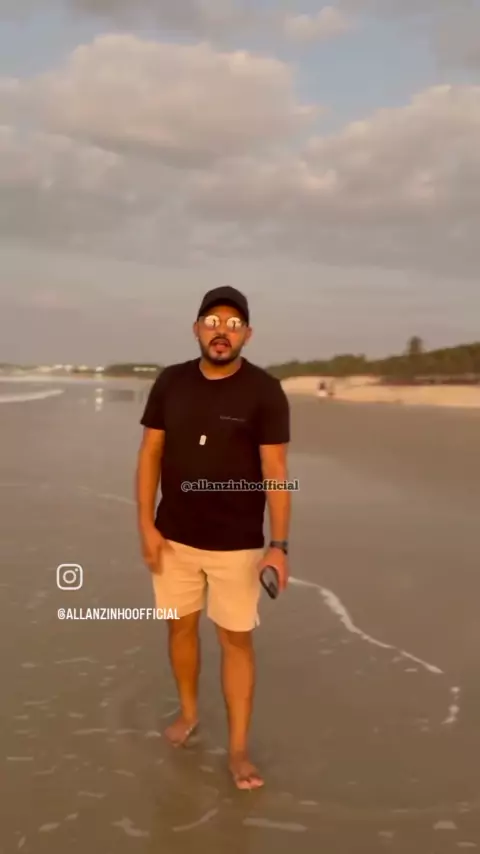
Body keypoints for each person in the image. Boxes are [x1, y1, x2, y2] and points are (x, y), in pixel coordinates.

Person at [135, 286, 291, 791]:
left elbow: (276, 471)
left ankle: (239, 749)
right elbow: (150, 453)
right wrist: (146, 526)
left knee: (235, 641)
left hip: (237, 544)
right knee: (179, 630)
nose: (222, 331)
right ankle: (188, 714)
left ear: (247, 334)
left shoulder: (265, 391)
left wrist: (279, 546)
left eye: (233, 324)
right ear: (197, 328)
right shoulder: (171, 381)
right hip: (173, 538)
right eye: (213, 321)